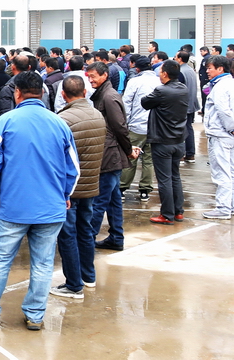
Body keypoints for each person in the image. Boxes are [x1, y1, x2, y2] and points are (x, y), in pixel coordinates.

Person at [0, 72, 79, 331]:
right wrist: (65, 195)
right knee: (43, 262)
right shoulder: (60, 124)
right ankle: (35, 315)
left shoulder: (5, 122)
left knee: (0, 259)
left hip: (14, 207)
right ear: (42, 93)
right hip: (51, 208)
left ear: (17, 93)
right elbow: (73, 169)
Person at [51, 76, 105, 299]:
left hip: (70, 189)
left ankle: (74, 284)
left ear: (63, 95)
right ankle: (88, 276)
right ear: (84, 92)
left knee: (67, 235)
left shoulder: (62, 120)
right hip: (90, 185)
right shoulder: (97, 115)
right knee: (85, 231)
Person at [86, 62, 134, 251]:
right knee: (113, 200)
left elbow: (120, 127)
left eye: (93, 76)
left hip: (110, 155)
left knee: (99, 201)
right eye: (88, 77)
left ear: (104, 75)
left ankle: (87, 241)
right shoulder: (103, 94)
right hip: (109, 153)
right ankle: (116, 237)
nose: (90, 80)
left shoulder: (109, 97)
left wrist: (128, 150)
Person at [141, 60, 188, 225]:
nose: (159, 74)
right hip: (179, 139)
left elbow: (145, 102)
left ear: (165, 74)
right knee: (175, 176)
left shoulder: (161, 91)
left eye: (160, 71)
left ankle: (167, 214)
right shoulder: (183, 88)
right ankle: (178, 211)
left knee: (164, 179)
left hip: (163, 140)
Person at [120, 56, 160, 201]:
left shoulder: (134, 82)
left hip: (136, 125)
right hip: (154, 127)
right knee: (149, 160)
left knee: (130, 157)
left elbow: (126, 103)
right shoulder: (159, 81)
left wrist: (125, 123)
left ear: (137, 69)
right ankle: (145, 190)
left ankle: (122, 187)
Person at [202, 55, 234, 219]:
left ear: (220, 69)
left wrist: (231, 128)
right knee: (230, 171)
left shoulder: (221, 86)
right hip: (226, 134)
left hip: (220, 134)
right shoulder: (229, 83)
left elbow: (224, 111)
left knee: (222, 172)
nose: (207, 71)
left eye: (210, 68)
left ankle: (223, 208)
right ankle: (230, 205)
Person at [175, 51, 201, 163]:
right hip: (191, 104)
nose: (175, 59)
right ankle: (190, 153)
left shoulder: (180, 71)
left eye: (176, 57)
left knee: (181, 129)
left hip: (183, 105)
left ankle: (181, 154)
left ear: (180, 59)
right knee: (188, 128)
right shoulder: (190, 70)